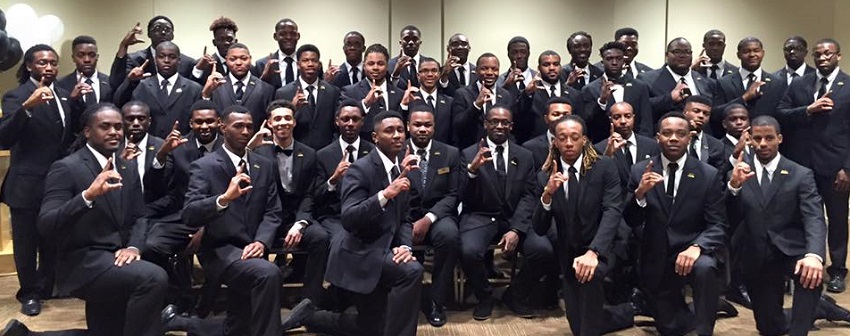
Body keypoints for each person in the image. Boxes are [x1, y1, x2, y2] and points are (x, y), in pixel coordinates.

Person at [38, 103, 168, 336]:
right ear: (87, 131)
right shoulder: (66, 168)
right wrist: (88, 196)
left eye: (118, 127)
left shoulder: (126, 166)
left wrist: (134, 246)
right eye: (105, 127)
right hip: (82, 261)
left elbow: (140, 216)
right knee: (153, 277)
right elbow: (46, 224)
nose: (114, 132)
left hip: (116, 257)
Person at [292, 111, 423, 336]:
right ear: (375, 137)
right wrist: (384, 195)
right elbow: (350, 218)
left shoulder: (401, 170)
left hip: (384, 249)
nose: (397, 136)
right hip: (359, 253)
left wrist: (405, 246)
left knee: (372, 329)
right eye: (389, 131)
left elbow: (405, 218)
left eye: (400, 130)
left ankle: (312, 317)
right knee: (411, 271)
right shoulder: (360, 169)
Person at [182, 105, 284, 336]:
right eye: (238, 126)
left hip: (254, 249)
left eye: (249, 126)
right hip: (221, 250)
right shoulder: (204, 166)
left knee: (240, 324)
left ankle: (189, 325)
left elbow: (273, 211)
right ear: (222, 127)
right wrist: (223, 199)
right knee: (268, 275)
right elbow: (189, 214)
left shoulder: (264, 164)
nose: (246, 131)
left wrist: (261, 241)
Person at [625, 112, 727, 336]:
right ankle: (708, 307)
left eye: (680, 134)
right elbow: (630, 220)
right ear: (657, 137)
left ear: (689, 138)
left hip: (693, 251)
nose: (673, 138)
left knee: (705, 268)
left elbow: (718, 225)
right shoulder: (639, 170)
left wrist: (697, 247)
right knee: (671, 329)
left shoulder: (707, 175)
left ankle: (704, 327)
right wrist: (640, 194)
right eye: (667, 133)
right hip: (656, 255)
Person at [726, 115, 825, 336]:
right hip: (756, 255)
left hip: (793, 251)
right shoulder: (739, 174)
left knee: (811, 275)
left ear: (779, 138)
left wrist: (814, 255)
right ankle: (820, 309)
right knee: (770, 328)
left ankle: (802, 328)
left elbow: (814, 217)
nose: (763, 144)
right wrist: (733, 188)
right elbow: (728, 219)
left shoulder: (800, 174)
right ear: (749, 140)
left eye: (769, 138)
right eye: (757, 138)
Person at [0, 44, 76, 316]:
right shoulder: (15, 96)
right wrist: (27, 107)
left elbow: (66, 140)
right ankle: (29, 293)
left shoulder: (65, 96)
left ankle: (47, 286)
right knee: (26, 243)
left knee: (51, 238)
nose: (49, 67)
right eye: (42, 62)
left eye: (53, 63)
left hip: (57, 184)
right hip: (26, 184)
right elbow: (4, 138)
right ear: (30, 66)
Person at [459, 105, 553, 320]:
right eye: (494, 121)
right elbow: (462, 196)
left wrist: (517, 229)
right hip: (480, 217)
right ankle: (485, 296)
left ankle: (515, 294)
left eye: (504, 122)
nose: (499, 126)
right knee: (468, 251)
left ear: (511, 126)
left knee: (543, 250)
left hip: (515, 218)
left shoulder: (525, 155)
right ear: (486, 124)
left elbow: (530, 194)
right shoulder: (468, 154)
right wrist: (472, 171)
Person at [533, 115, 624, 335]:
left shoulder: (605, 166)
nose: (569, 143)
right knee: (579, 324)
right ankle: (629, 311)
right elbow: (539, 228)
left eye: (575, 137)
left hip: (602, 247)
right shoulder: (545, 175)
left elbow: (612, 211)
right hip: (569, 252)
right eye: (562, 138)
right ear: (554, 141)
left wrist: (594, 251)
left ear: (584, 140)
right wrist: (547, 195)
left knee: (587, 321)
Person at [777, 38, 850, 293]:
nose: (822, 58)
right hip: (803, 166)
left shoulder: (849, 85)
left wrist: (847, 167)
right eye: (818, 54)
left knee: (838, 220)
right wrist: (808, 109)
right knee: (804, 217)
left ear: (838, 56)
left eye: (828, 54)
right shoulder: (800, 83)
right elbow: (782, 113)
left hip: (836, 168)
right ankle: (803, 265)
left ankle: (838, 270)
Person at [249, 100, 330, 306]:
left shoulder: (310, 153)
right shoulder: (257, 153)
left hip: (295, 218)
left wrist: (301, 222)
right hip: (266, 219)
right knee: (253, 240)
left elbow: (309, 194)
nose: (282, 122)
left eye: (287, 118)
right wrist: (251, 145)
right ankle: (264, 301)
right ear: (269, 123)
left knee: (320, 238)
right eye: (277, 118)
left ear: (294, 122)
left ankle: (309, 302)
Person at [404, 103, 461, 327]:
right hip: (404, 215)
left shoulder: (450, 153)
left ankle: (437, 300)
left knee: (450, 236)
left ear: (434, 127)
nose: (422, 129)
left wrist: (428, 219)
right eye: (417, 125)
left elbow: (453, 194)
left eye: (427, 125)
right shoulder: (398, 151)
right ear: (408, 127)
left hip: (437, 215)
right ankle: (408, 299)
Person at [114, 41, 202, 139]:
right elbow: (118, 103)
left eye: (172, 57)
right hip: (149, 147)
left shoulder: (194, 89)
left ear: (179, 60)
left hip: (181, 146)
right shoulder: (141, 85)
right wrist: (129, 81)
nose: (166, 60)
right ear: (155, 59)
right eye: (161, 56)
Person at [313, 101, 375, 237]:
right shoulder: (323, 155)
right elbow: (316, 197)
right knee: (343, 239)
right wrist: (333, 180)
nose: (350, 124)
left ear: (362, 121)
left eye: (355, 119)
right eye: (345, 119)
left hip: (366, 213)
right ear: (337, 121)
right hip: (335, 217)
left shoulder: (373, 152)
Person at [582, 41, 653, 143]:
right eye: (609, 59)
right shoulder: (589, 89)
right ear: (602, 62)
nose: (614, 62)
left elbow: (646, 122)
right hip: (602, 145)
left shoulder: (640, 87)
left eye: (618, 58)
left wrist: (644, 145)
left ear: (624, 60)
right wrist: (602, 102)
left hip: (635, 144)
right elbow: (588, 123)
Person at [275, 44, 341, 150]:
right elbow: (278, 126)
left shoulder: (332, 91)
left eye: (314, 61)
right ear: (298, 64)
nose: (310, 64)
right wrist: (293, 108)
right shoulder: (283, 93)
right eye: (305, 60)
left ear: (319, 65)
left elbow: (337, 125)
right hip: (296, 151)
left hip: (326, 151)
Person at [638, 38, 718, 126]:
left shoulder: (706, 81)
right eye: (677, 52)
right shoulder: (648, 79)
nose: (682, 56)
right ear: (667, 55)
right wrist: (670, 98)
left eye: (687, 52)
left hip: (703, 136)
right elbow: (642, 108)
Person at [713, 37, 785, 134]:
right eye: (746, 51)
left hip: (765, 140)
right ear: (738, 55)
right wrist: (744, 98)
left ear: (763, 53)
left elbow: (782, 115)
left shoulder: (777, 83)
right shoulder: (724, 82)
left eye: (756, 51)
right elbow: (715, 114)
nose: (752, 55)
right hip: (733, 141)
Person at [201, 43, 275, 133]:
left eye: (244, 58)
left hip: (255, 142)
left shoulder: (266, 88)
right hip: (222, 143)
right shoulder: (215, 86)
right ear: (226, 60)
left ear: (250, 59)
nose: (238, 63)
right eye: (233, 59)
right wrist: (206, 94)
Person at [515, 51, 583, 145]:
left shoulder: (574, 94)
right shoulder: (530, 92)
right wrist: (527, 94)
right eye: (546, 65)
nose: (551, 68)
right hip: (538, 147)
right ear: (539, 68)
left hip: (568, 145)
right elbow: (519, 119)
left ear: (560, 67)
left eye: (556, 64)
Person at [110, 16, 194, 88]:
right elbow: (116, 83)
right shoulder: (135, 59)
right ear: (149, 34)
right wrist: (124, 45)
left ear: (172, 35)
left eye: (167, 29)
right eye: (157, 28)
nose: (163, 32)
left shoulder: (187, 62)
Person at [452, 53, 516, 148]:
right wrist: (476, 105)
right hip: (471, 149)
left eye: (494, 69)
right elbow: (458, 126)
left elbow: (511, 126)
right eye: (484, 68)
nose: (490, 72)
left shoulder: (505, 95)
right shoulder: (462, 94)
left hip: (500, 149)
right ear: (476, 71)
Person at [341, 43, 404, 140]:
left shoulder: (400, 94)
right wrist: (365, 103)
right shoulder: (349, 92)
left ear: (387, 66)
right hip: (363, 149)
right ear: (364, 66)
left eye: (380, 63)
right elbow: (342, 122)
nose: (375, 67)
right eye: (371, 64)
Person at [594, 102, 660, 187]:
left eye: (627, 116)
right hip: (616, 198)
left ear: (633, 118)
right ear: (610, 120)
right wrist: (608, 155)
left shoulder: (651, 145)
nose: (623, 121)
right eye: (617, 117)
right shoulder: (599, 148)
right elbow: (597, 181)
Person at [399, 57, 455, 144]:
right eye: (425, 71)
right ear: (418, 75)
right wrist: (404, 106)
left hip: (443, 152)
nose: (430, 74)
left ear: (439, 74)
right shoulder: (408, 99)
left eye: (434, 70)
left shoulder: (449, 102)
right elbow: (401, 127)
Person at [56, 36, 113, 107]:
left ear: (97, 57)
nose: (87, 60)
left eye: (92, 55)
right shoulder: (61, 84)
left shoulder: (110, 82)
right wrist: (72, 99)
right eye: (81, 55)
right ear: (73, 58)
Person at [523, 96, 574, 170]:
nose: (561, 118)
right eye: (556, 114)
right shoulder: (530, 148)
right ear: (546, 119)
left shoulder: (581, 145)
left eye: (566, 114)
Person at [682, 95, 727, 172]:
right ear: (685, 112)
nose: (701, 116)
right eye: (696, 111)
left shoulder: (716, 146)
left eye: (706, 114)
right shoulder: (673, 139)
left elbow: (719, 177)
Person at [253, 18, 301, 89]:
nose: (288, 37)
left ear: (298, 36)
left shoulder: (308, 63)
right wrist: (264, 78)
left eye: (292, 34)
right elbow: (256, 93)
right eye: (283, 34)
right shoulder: (262, 64)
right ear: (275, 36)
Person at [191, 16, 239, 85]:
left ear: (236, 41)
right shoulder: (202, 65)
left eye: (229, 39)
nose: (226, 43)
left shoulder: (245, 65)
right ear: (214, 42)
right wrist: (199, 69)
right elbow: (193, 90)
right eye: (221, 39)